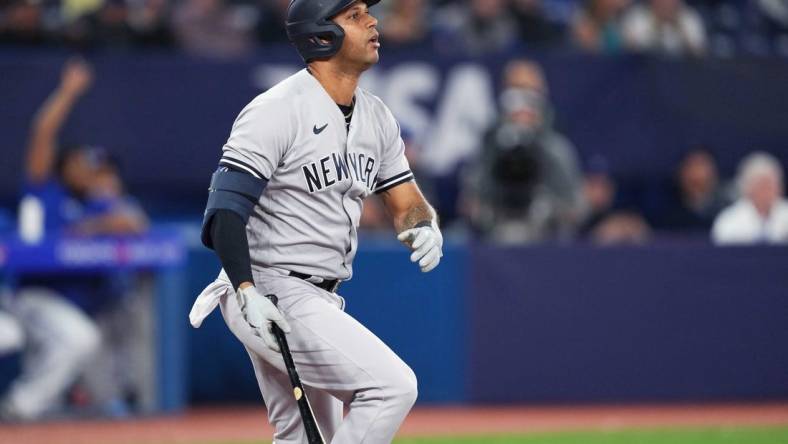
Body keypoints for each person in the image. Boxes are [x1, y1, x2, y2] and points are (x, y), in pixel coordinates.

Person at [189, 1, 442, 442]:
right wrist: (248, 290)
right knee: (390, 387)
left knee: (304, 438)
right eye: (355, 15)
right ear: (321, 33)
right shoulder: (277, 109)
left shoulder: (377, 117)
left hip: (316, 295)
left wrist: (423, 223)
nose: (372, 21)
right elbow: (224, 212)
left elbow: (405, 200)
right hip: (269, 287)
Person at [1, 58, 148, 421]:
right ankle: (19, 407)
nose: (88, 172)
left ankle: (25, 408)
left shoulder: (99, 204)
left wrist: (104, 215)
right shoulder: (45, 192)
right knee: (77, 337)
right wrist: (68, 92)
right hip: (30, 294)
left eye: (93, 168)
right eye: (80, 165)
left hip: (71, 306)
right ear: (64, 168)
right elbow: (42, 134)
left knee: (74, 339)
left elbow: (135, 225)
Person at [464, 59, 584, 244]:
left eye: (530, 90)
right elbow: (471, 201)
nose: (522, 100)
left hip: (545, 238)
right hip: (495, 235)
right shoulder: (488, 146)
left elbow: (576, 207)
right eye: (516, 89)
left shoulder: (558, 149)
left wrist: (549, 209)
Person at [712, 152, 788, 244]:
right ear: (747, 188)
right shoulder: (729, 219)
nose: (766, 191)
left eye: (771, 185)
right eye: (761, 186)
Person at [622, 0, 707, 56]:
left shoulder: (689, 18)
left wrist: (679, 27)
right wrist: (655, 24)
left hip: (679, 75)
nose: (666, 2)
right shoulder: (637, 17)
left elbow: (699, 55)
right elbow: (631, 51)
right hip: (643, 74)